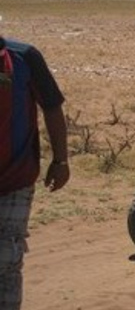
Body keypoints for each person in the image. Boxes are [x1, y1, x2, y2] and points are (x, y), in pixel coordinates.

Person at [0, 36, 69, 310]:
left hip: (15, 177)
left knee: (6, 259)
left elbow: (52, 107)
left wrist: (61, 160)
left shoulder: (24, 56)